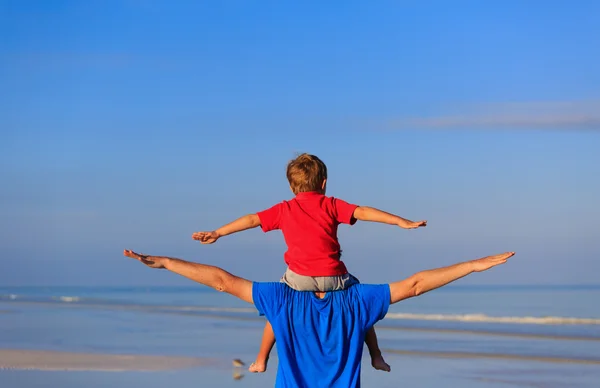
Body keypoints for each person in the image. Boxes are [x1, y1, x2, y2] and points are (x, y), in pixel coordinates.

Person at [123, 249, 515, 388]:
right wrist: (471, 265)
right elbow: (414, 285)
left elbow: (222, 281)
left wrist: (168, 263)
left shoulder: (281, 297)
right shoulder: (358, 298)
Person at [191, 153, 427, 372]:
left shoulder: (285, 209)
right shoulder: (331, 204)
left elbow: (252, 219)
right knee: (362, 306)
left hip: (298, 280)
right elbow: (362, 211)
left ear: (291, 186)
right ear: (323, 183)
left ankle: (261, 359)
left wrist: (218, 232)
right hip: (335, 278)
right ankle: (376, 356)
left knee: (277, 308)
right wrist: (400, 221)